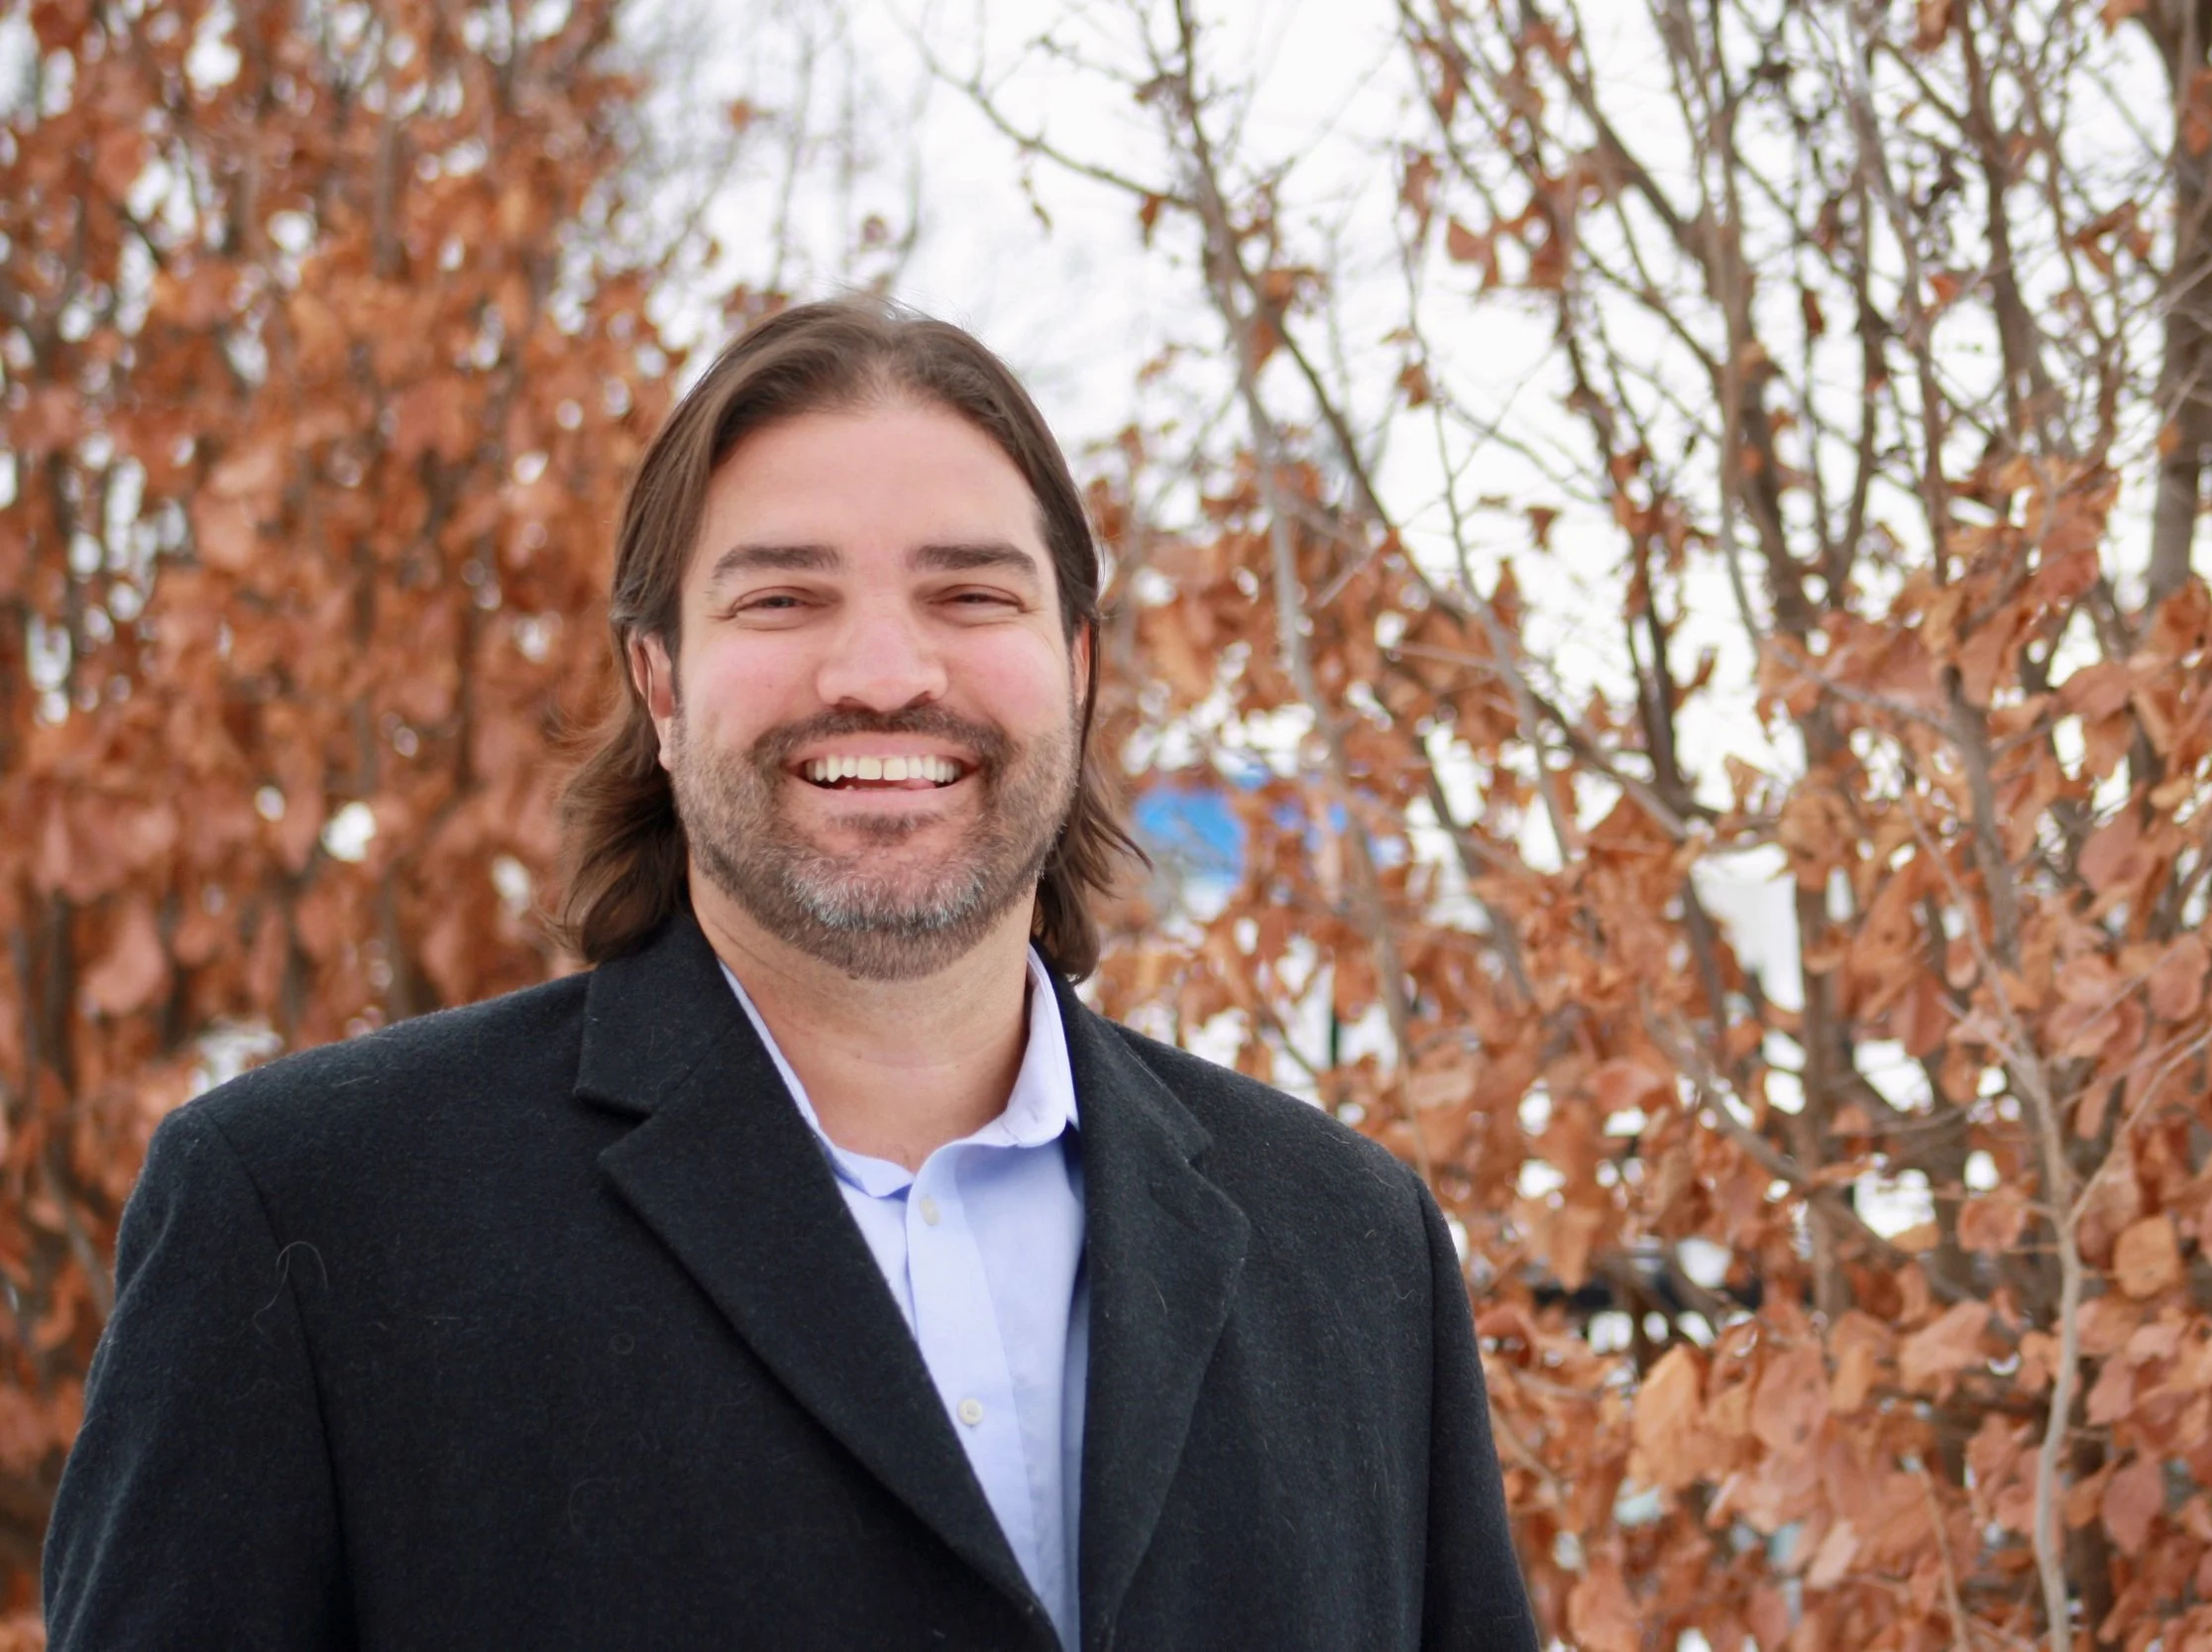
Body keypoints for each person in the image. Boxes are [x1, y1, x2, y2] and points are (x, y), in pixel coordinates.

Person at [43, 297, 1534, 1650]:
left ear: (1078, 666)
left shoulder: (1355, 1250)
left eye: (971, 595)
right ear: (659, 680)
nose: (882, 672)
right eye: (782, 598)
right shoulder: (311, 1213)